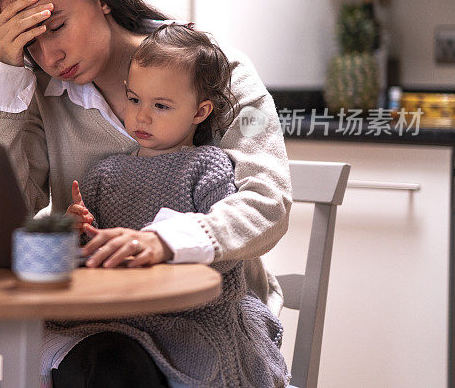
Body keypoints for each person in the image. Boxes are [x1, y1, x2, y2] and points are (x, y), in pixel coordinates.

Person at [0, 0, 291, 386]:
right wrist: (6, 68)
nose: (49, 56)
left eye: (56, 26)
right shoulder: (39, 94)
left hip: (205, 317)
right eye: (30, 45)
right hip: (91, 322)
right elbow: (1, 217)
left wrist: (165, 241)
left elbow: (268, 203)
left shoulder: (218, 71)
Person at [48, 23, 288, 387]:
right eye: (134, 100)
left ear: (199, 112)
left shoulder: (208, 167)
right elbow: (88, 258)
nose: (142, 116)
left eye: (161, 106)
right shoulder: (103, 175)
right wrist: (72, 230)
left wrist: (163, 250)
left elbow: (224, 259)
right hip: (117, 318)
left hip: (194, 317)